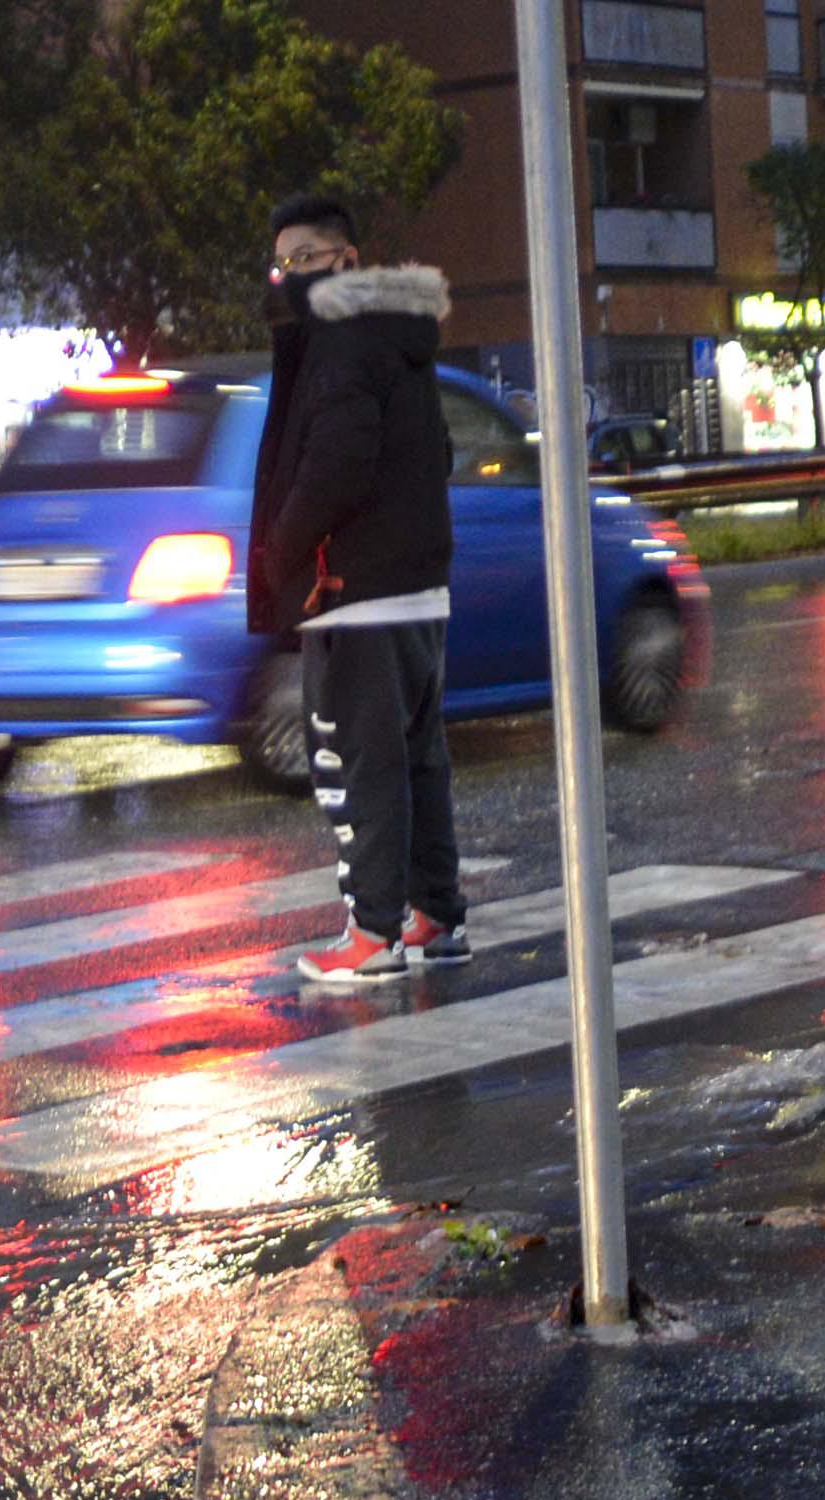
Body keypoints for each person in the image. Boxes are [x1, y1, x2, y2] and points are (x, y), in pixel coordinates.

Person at [241, 194, 464, 986]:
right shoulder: (398, 339)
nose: (286, 278)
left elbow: (336, 461)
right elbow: (435, 450)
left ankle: (374, 933)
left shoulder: (339, 343)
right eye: (280, 265)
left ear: (343, 259)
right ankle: (434, 914)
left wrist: (281, 551)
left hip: (354, 591)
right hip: (416, 587)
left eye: (300, 261)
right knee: (415, 761)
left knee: (355, 763)